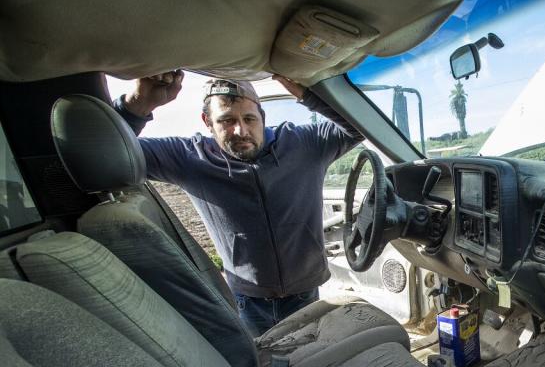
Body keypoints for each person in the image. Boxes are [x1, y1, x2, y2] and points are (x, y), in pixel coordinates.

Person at [112, 70, 363, 336]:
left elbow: (359, 126)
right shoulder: (189, 158)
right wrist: (138, 105)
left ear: (263, 118)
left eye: (249, 119)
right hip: (247, 301)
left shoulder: (305, 144)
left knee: (312, 360)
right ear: (207, 122)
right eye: (227, 120)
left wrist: (309, 92)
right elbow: (109, 150)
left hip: (306, 294)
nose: (240, 130)